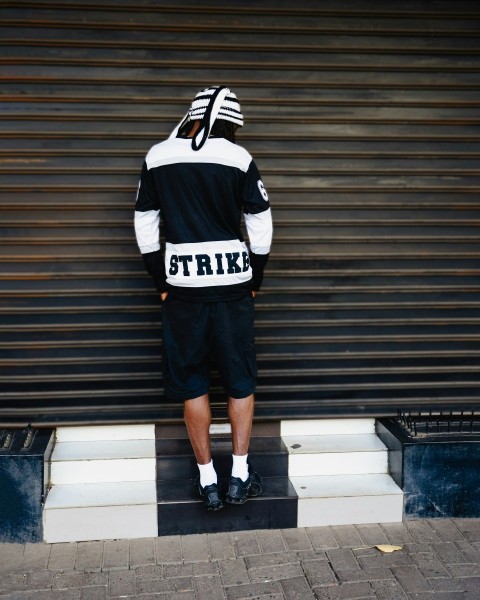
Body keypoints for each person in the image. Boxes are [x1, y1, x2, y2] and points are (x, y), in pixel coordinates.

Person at [134, 85, 273, 511]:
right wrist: (256, 276)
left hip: (182, 291)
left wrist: (161, 278)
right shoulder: (239, 158)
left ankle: (208, 481)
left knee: (192, 381)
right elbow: (262, 224)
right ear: (230, 124)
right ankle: (240, 476)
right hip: (233, 287)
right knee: (239, 380)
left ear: (192, 115)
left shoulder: (158, 156)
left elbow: (144, 224)